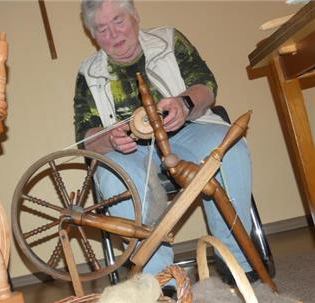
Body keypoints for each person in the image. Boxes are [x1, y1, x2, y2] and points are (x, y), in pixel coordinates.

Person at [74, 0, 254, 280]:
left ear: (135, 17)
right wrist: (109, 138)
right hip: (129, 150)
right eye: (102, 29)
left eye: (118, 21)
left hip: (187, 129)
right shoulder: (89, 72)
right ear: (93, 35)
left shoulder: (168, 40)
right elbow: (85, 137)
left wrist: (184, 103)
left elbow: (206, 85)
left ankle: (236, 262)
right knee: (114, 178)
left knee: (228, 149)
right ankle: (159, 278)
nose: (113, 34)